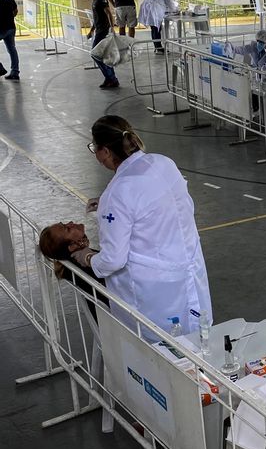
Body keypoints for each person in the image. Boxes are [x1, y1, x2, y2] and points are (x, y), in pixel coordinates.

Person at [72, 115, 212, 339]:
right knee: (198, 340)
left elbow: (113, 260)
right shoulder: (162, 162)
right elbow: (165, 201)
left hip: (154, 293)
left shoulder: (118, 192)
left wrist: (87, 257)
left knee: (160, 353)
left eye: (94, 148)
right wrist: (109, 204)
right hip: (188, 270)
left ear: (105, 152)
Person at [39, 222, 110, 317]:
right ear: (72, 246)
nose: (70, 223)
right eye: (67, 229)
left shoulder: (74, 263)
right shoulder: (87, 266)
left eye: (63, 223)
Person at [86, 0, 119, 89]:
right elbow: (96, 18)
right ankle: (110, 78)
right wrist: (91, 30)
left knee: (95, 54)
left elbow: (108, 13)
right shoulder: (95, 0)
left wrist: (112, 27)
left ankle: (111, 77)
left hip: (103, 31)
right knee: (103, 56)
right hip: (99, 30)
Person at [0, 0, 20, 81]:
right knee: (12, 49)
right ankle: (15, 72)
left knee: (11, 49)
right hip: (11, 27)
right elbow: (15, 10)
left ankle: (0, 69)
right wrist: (9, 17)